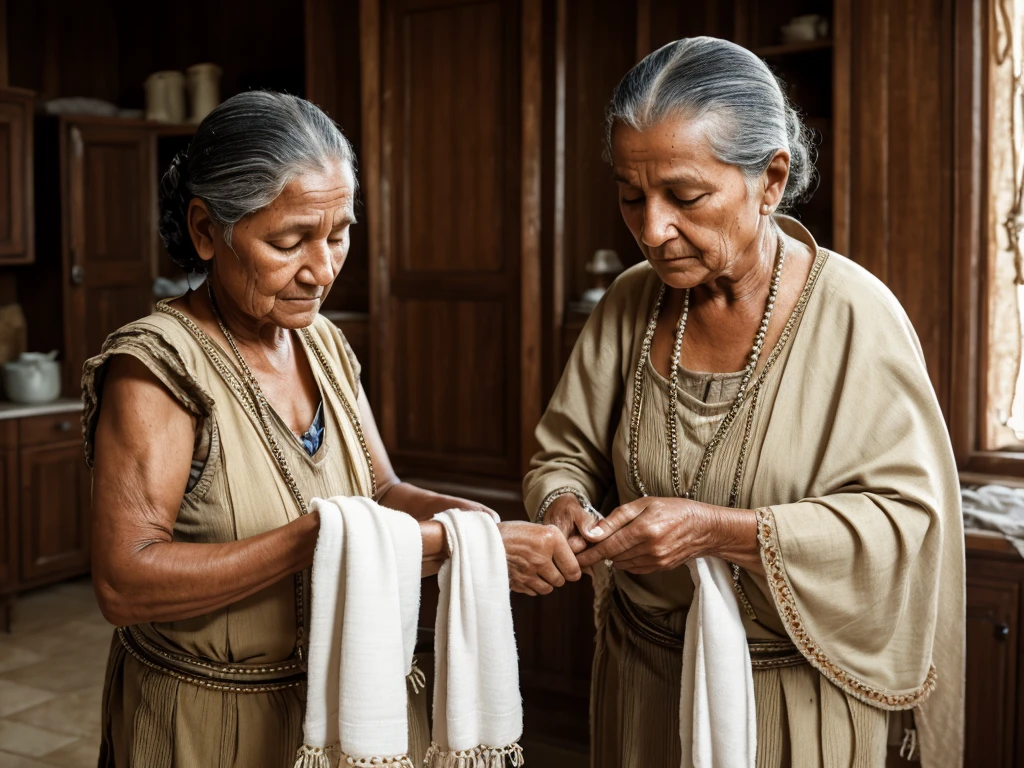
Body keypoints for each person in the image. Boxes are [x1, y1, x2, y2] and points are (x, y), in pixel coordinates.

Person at [84, 91, 578, 768]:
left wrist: (474, 530)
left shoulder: (322, 342)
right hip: (207, 726)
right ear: (206, 230)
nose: (321, 269)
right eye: (289, 241)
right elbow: (124, 582)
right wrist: (319, 537)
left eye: (339, 233)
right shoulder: (157, 370)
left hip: (339, 714)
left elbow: (379, 490)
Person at [523, 37, 964, 767]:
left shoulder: (855, 315)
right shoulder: (631, 302)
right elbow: (562, 454)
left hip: (795, 702)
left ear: (771, 179)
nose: (654, 228)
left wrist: (719, 531)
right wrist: (562, 503)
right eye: (632, 197)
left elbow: (906, 528)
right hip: (645, 683)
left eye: (686, 196)